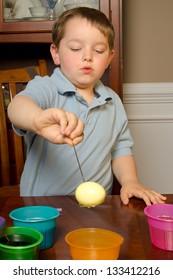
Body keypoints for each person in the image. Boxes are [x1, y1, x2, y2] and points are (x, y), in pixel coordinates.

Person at [8, 7, 166, 205]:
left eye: (98, 50)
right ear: (56, 53)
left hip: (96, 211)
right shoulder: (46, 87)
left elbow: (121, 149)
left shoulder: (113, 101)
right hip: (41, 208)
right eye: (75, 48)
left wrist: (130, 181)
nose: (88, 56)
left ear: (109, 58)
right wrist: (36, 120)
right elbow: (17, 106)